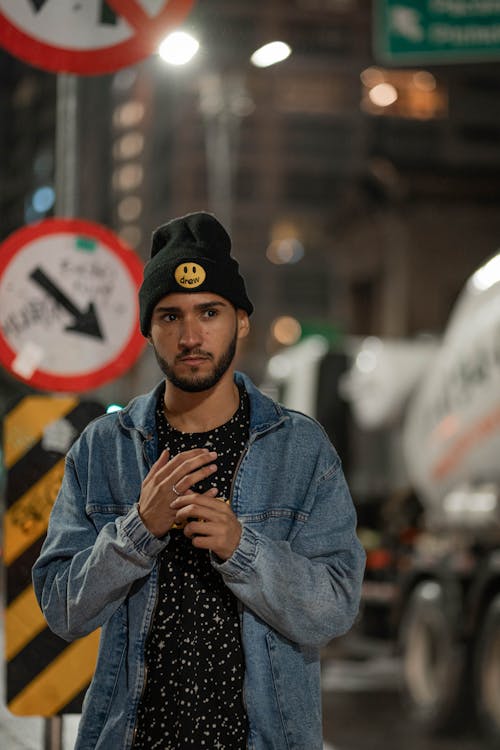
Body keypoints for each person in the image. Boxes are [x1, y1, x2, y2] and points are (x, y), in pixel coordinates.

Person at [33, 211, 366, 750]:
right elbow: (62, 610)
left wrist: (243, 549)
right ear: (149, 331)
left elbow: (335, 607)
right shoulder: (103, 449)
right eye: (170, 316)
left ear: (241, 321)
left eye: (209, 312)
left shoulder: (301, 451)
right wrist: (138, 531)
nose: (190, 335)